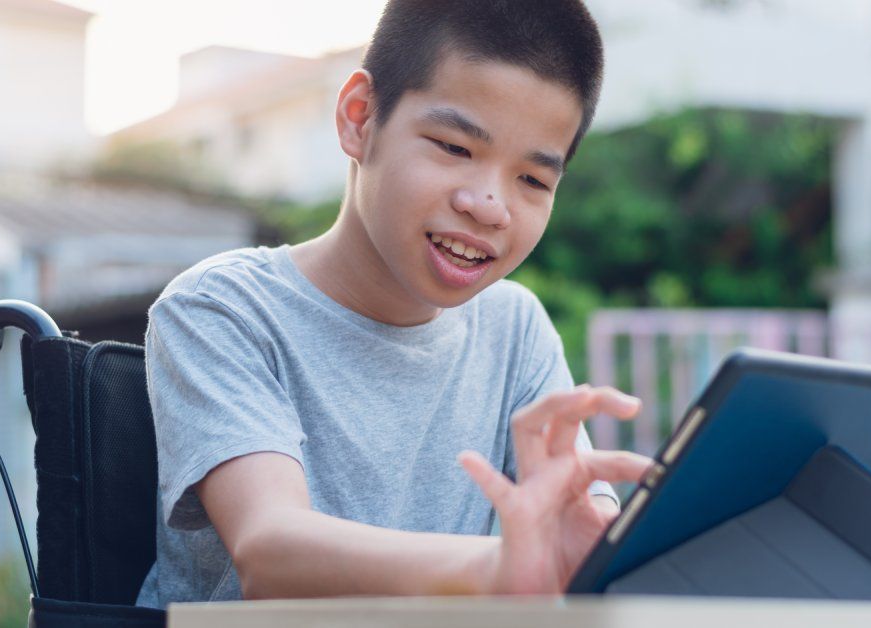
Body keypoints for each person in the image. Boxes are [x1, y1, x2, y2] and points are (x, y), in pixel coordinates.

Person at [134, 0, 654, 607]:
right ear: (360, 118)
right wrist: (500, 569)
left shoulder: (515, 329)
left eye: (533, 180)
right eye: (455, 147)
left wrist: (588, 540)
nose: (489, 205)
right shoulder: (222, 309)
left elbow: (575, 527)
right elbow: (270, 550)